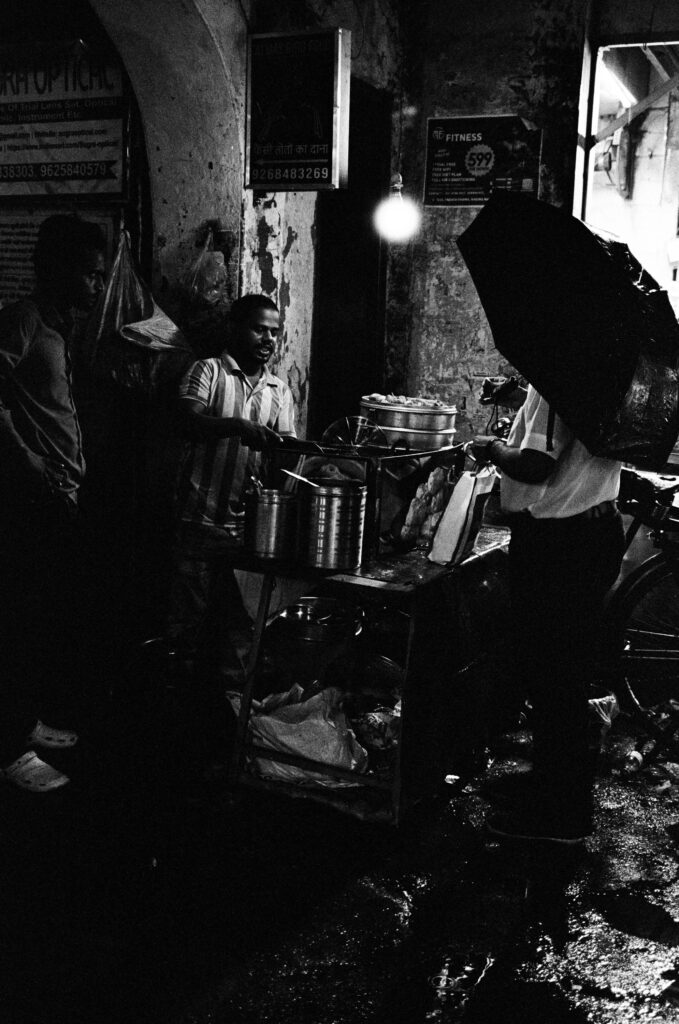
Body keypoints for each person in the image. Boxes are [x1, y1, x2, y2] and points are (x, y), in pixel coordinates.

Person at [472, 383, 625, 843]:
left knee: (555, 678)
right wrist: (524, 400)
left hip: (562, 544)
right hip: (593, 531)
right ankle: (551, 786)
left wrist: (493, 448)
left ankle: (561, 817)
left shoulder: (561, 378)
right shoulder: (594, 381)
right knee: (560, 674)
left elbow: (537, 466)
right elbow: (567, 433)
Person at [0, 214, 106, 792]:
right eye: (89, 275)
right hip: (28, 500)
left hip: (59, 496)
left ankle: (27, 722)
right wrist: (29, 462)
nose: (96, 285)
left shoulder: (58, 329)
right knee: (17, 624)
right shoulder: (22, 322)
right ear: (61, 271)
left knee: (44, 622)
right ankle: (10, 749)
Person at [169, 294, 296, 697]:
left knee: (241, 635)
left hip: (247, 534)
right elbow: (187, 421)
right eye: (260, 329)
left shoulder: (280, 391)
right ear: (236, 328)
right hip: (198, 522)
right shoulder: (207, 371)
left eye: (274, 332)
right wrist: (237, 426)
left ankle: (229, 727)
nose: (268, 339)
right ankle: (173, 713)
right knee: (184, 632)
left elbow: (286, 452)